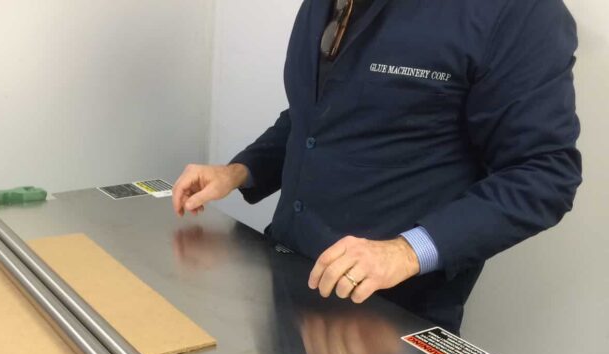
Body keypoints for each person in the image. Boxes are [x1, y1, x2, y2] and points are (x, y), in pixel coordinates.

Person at [172, 0, 581, 334]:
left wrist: (404, 252)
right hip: (288, 282)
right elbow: (314, 117)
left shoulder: (515, 11)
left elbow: (544, 173)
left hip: (391, 320)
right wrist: (239, 170)